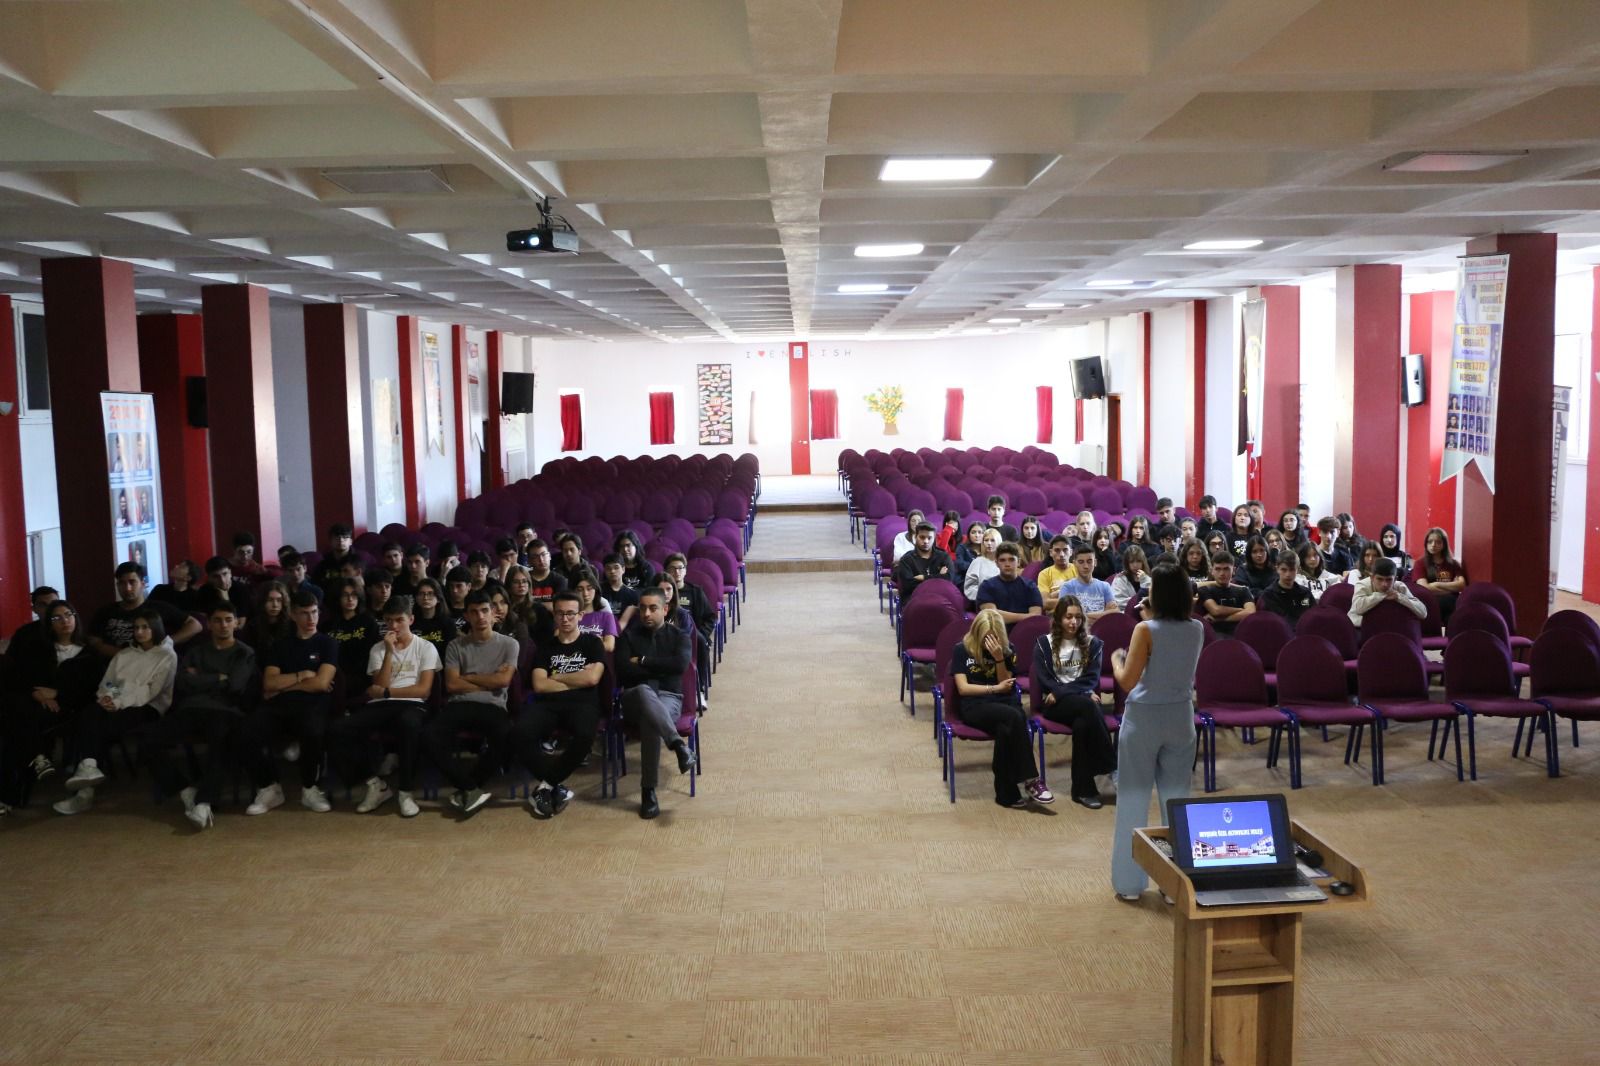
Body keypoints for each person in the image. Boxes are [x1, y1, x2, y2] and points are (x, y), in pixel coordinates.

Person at [1110, 563, 1204, 902]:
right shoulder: (1197, 628)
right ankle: (1174, 885)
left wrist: (1117, 659)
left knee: (1133, 799)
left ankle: (1129, 884)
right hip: (1181, 718)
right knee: (1176, 802)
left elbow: (1127, 680)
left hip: (1144, 720)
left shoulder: (1144, 629)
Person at [141, 602, 256, 830]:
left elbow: (236, 685)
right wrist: (219, 677)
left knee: (221, 742)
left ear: (236, 623)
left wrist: (201, 678)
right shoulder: (196, 651)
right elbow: (183, 683)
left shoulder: (244, 652)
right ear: (209, 624)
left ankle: (204, 802)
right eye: (217, 620)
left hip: (225, 711)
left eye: (228, 620)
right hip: (191, 709)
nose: (223, 625)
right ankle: (185, 789)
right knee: (147, 741)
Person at [54, 607, 178, 815]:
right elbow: (111, 682)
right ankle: (89, 768)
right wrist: (110, 698)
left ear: (156, 628)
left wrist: (119, 702)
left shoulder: (166, 656)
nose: (139, 632)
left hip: (147, 708)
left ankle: (85, 791)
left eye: (145, 627)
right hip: (116, 703)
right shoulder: (125, 654)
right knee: (89, 714)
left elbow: (151, 691)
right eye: (136, 628)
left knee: (97, 727)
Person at [330, 595, 440, 819]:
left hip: (413, 704)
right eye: (389, 620)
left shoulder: (426, 647)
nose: (394, 626)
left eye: (399, 620)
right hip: (380, 705)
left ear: (411, 619)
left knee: (409, 724)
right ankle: (375, 784)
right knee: (338, 729)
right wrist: (390, 652)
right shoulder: (378, 649)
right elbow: (379, 685)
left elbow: (423, 691)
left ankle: (405, 792)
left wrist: (388, 692)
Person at [422, 590, 519, 817]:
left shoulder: (510, 644)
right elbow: (452, 685)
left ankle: (470, 785)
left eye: (485, 611)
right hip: (459, 704)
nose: (480, 617)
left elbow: (503, 681)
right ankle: (468, 787)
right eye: (474, 612)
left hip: (494, 705)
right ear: (466, 616)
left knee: (507, 736)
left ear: (493, 613)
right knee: (428, 735)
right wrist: (489, 680)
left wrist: (469, 677)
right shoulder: (455, 645)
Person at [240, 591, 339, 814]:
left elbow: (321, 683)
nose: (311, 618)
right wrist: (302, 675)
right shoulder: (280, 645)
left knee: (312, 731)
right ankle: (269, 787)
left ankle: (310, 788)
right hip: (279, 706)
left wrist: (284, 685)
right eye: (304, 613)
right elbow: (269, 683)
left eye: (314, 612)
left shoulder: (327, 643)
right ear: (293, 615)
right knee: (246, 730)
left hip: (313, 704)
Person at [515, 591, 606, 819]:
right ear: (554, 615)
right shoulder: (546, 646)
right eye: (560, 614)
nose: (565, 619)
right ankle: (554, 786)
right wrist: (576, 678)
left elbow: (592, 679)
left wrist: (556, 676)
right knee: (519, 733)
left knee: (585, 736)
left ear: (580, 615)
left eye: (570, 613)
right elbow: (539, 685)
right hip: (548, 704)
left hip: (583, 704)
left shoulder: (593, 643)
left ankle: (545, 786)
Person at [2, 599, 100, 809]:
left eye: (68, 615)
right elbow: (21, 677)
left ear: (75, 618)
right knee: (12, 721)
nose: (64, 621)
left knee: (14, 730)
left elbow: (90, 690)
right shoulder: (39, 649)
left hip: (69, 709)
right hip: (35, 704)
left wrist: (58, 694)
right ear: (49, 624)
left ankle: (15, 788)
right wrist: (37, 694)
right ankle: (36, 758)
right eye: (57, 618)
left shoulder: (89, 653)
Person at [950, 608, 1052, 808]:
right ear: (977, 633)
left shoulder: (1007, 649)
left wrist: (998, 658)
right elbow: (963, 689)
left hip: (1003, 703)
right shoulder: (962, 649)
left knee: (1005, 729)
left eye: (994, 638)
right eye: (986, 638)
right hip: (975, 705)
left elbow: (1006, 683)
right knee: (1015, 717)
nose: (990, 642)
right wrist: (994, 689)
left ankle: (1006, 794)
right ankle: (1031, 779)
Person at [616, 587, 696, 820]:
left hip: (669, 697)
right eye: (642, 608)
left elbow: (680, 665)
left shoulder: (679, 636)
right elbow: (623, 671)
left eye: (653, 608)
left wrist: (642, 661)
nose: (646, 614)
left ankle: (648, 791)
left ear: (665, 609)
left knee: (650, 722)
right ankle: (678, 745)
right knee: (643, 691)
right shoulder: (629, 636)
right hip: (634, 697)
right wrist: (661, 666)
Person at [1031, 595, 1116, 808]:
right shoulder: (1044, 644)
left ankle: (1083, 791)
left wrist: (1063, 691)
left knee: (1082, 725)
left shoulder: (1093, 644)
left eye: (1078, 617)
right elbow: (1045, 679)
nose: (1073, 622)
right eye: (1068, 617)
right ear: (1059, 618)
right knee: (1089, 705)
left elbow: (1091, 679)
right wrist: (1078, 693)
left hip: (1076, 701)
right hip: (1055, 705)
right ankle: (1112, 765)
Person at [87, 562, 201, 658]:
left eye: (132, 582)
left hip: (148, 665)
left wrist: (167, 643)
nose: (127, 588)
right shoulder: (106, 611)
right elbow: (93, 639)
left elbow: (195, 625)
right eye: (122, 583)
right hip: (112, 664)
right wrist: (123, 655)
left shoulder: (158, 608)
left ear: (142, 584)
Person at [323, 577, 381, 698]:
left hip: (363, 678)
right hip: (335, 678)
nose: (350, 599)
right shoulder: (327, 626)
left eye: (354, 595)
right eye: (345, 595)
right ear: (337, 598)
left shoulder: (368, 622)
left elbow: (374, 654)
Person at [976, 542, 1044, 628]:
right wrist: (1027, 616)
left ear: (1018, 562)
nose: (1007, 564)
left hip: (1025, 631)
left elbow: (1036, 617)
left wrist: (1003, 616)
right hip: (996, 633)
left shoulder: (1030, 586)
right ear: (996, 563)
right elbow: (991, 616)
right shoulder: (987, 586)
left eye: (1011, 560)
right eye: (1002, 560)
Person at [1348, 557, 1426, 628]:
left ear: (1395, 579)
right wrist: (1381, 595)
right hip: (1363, 628)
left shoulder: (1400, 587)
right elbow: (1358, 609)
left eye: (1389, 580)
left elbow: (1423, 613)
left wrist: (1399, 597)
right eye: (1379, 579)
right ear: (1372, 578)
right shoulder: (1362, 585)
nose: (1384, 584)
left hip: (1393, 628)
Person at [1414, 527, 1467, 623]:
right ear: (1426, 544)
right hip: (1430, 603)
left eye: (1438, 542)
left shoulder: (1453, 564)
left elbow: (1462, 585)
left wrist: (1436, 584)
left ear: (1444, 544)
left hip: (1451, 604)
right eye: (1430, 542)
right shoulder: (1420, 563)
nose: (1433, 545)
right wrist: (1451, 588)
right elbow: (1424, 588)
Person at [1056, 543, 1117, 625]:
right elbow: (1063, 615)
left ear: (1095, 562)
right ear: (1074, 564)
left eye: (1089, 561)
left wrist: (1081, 616)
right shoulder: (1067, 587)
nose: (1086, 566)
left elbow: (1114, 613)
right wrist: (1103, 615)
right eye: (1081, 562)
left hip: (1101, 629)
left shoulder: (1105, 586)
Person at [1196, 552, 1255, 636]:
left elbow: (1251, 612)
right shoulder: (1205, 590)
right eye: (1218, 569)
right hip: (1213, 635)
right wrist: (1241, 610)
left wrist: (1220, 619)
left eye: (1226, 569)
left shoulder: (1243, 590)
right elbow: (1216, 611)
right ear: (1212, 571)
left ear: (1233, 570)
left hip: (1239, 634)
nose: (1222, 573)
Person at [894, 523, 954, 602]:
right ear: (915, 537)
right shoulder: (906, 560)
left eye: (929, 538)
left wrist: (923, 577)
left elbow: (949, 579)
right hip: (915, 600)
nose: (926, 541)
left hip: (940, 600)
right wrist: (938, 577)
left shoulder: (943, 557)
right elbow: (908, 585)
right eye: (922, 537)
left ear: (934, 538)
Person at [242, 579, 294, 662]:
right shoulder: (253, 626)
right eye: (270, 600)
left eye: (279, 600)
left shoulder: (292, 625)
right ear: (262, 601)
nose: (275, 605)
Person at [571, 568, 619, 652]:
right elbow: (563, 643)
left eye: (589, 588)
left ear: (596, 589)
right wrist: (596, 642)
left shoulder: (606, 616)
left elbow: (609, 646)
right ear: (573, 591)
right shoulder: (568, 615)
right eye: (580, 589)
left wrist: (577, 642)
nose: (585, 594)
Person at [1260, 554, 1314, 626]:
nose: (1288, 574)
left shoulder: (1305, 593)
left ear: (1297, 570)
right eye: (1284, 570)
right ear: (1277, 569)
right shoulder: (1269, 595)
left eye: (1292, 569)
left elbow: (1314, 616)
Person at [410, 577, 453, 658]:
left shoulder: (448, 623)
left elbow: (450, 652)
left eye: (430, 594)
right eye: (421, 594)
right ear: (416, 598)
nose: (425, 598)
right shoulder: (410, 622)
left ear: (438, 598)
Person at [312, 523, 355, 595]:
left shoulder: (358, 562)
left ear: (351, 541)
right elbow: (316, 586)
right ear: (330, 541)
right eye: (336, 537)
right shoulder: (323, 564)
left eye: (345, 537)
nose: (341, 540)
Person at [961, 528, 1003, 603]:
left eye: (992, 540)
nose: (989, 543)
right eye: (986, 540)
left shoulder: (1004, 562)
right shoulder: (977, 562)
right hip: (983, 602)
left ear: (998, 542)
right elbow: (969, 588)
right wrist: (985, 596)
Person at [1036, 535, 1076, 612]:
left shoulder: (1079, 569)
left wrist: (1053, 596)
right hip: (1055, 615)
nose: (1061, 554)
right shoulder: (1044, 574)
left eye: (1065, 550)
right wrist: (1074, 600)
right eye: (1057, 550)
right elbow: (1045, 603)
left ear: (1071, 552)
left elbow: (1086, 598)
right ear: (1051, 553)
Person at [599, 553, 640, 627]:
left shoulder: (632, 595)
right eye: (608, 568)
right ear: (604, 571)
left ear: (623, 569)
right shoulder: (598, 592)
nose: (612, 571)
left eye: (616, 567)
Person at [1110, 545, 1152, 610]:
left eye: (1138, 561)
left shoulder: (1148, 578)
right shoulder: (1120, 579)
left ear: (1143, 562)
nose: (1135, 565)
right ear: (1127, 563)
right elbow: (1118, 601)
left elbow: (1153, 599)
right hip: (1126, 613)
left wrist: (1145, 580)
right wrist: (1139, 601)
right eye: (1131, 562)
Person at [953, 521, 988, 586]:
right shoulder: (962, 547)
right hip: (964, 580)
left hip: (983, 580)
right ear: (969, 535)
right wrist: (978, 567)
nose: (977, 535)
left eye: (980, 532)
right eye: (973, 532)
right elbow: (960, 565)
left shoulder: (987, 549)